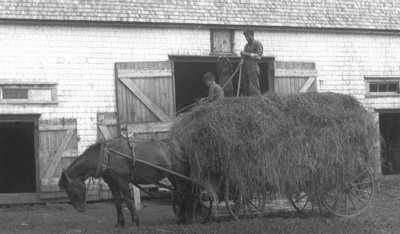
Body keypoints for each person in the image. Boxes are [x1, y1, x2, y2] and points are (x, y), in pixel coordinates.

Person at [240, 29, 263, 96]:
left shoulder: (257, 44)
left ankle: (256, 103)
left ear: (252, 35)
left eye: (248, 36)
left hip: (253, 69)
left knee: (254, 89)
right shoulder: (246, 46)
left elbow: (259, 56)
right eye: (246, 37)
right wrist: (242, 59)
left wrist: (246, 54)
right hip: (246, 69)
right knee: (247, 89)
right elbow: (244, 58)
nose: (247, 38)